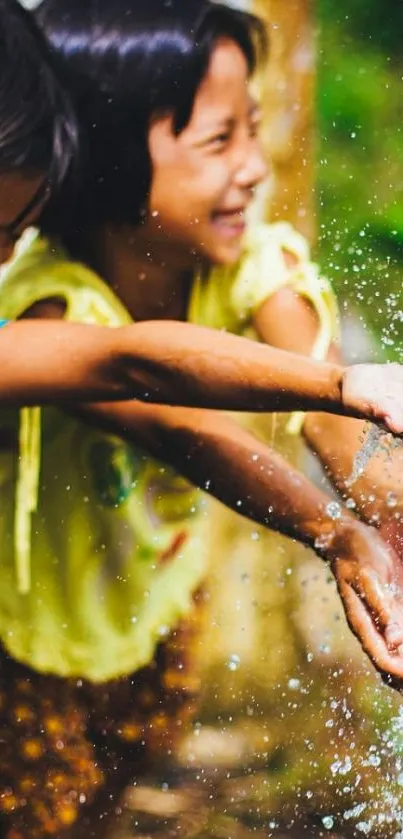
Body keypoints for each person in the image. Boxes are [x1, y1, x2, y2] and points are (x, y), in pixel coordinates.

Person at [0, 0, 401, 835]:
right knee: (38, 811)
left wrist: (386, 529)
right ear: (106, 160)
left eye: (254, 129)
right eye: (219, 141)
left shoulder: (252, 261)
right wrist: (331, 531)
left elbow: (340, 432)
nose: (254, 168)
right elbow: (177, 416)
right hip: (26, 630)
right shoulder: (46, 305)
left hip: (156, 597)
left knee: (128, 763)